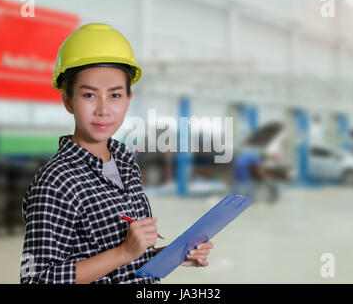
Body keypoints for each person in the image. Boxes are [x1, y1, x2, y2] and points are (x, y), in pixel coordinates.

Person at [20, 23, 213, 284]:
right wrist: (124, 252)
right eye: (89, 95)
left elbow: (128, 264)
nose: (103, 109)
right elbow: (36, 279)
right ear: (68, 100)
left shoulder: (126, 164)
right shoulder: (55, 183)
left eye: (115, 95)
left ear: (128, 98)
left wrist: (173, 255)